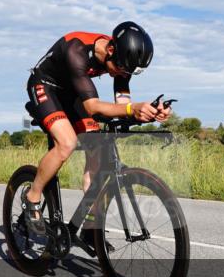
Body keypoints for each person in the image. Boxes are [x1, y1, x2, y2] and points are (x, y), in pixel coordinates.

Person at [23, 22, 171, 242]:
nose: (122, 74)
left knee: (97, 147)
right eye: (121, 69)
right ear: (110, 50)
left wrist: (147, 113)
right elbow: (92, 107)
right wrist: (132, 109)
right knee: (66, 143)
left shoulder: (121, 58)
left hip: (72, 91)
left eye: (128, 72)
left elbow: (123, 104)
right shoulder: (77, 49)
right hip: (45, 85)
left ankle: (91, 225)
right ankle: (32, 197)